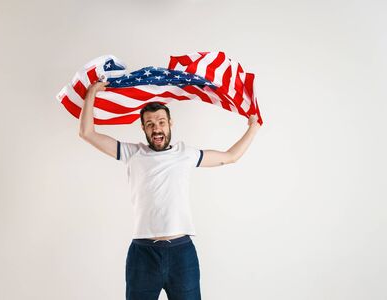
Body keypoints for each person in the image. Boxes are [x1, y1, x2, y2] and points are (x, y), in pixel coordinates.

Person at [79, 81, 261, 300]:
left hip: (181, 254)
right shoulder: (131, 153)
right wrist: (91, 94)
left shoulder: (186, 154)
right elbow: (87, 133)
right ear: (143, 128)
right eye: (150, 124)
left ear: (170, 124)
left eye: (161, 122)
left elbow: (230, 157)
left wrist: (253, 128)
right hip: (142, 255)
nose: (156, 128)